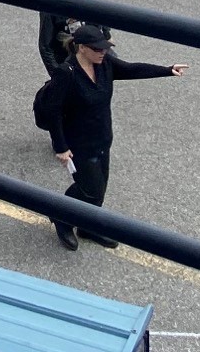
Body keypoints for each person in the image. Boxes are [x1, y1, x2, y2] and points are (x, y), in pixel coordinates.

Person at [43, 23, 187, 251]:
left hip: (102, 138)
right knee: (89, 189)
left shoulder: (105, 64)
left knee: (100, 188)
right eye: (97, 49)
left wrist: (167, 70)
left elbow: (132, 69)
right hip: (78, 143)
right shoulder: (66, 73)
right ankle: (60, 216)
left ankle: (87, 227)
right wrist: (60, 146)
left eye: (104, 48)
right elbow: (52, 111)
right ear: (81, 48)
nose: (103, 52)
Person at [37, 0, 97, 77]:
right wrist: (56, 74)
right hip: (66, 58)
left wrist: (106, 36)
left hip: (91, 55)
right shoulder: (51, 4)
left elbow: (102, 19)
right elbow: (45, 45)